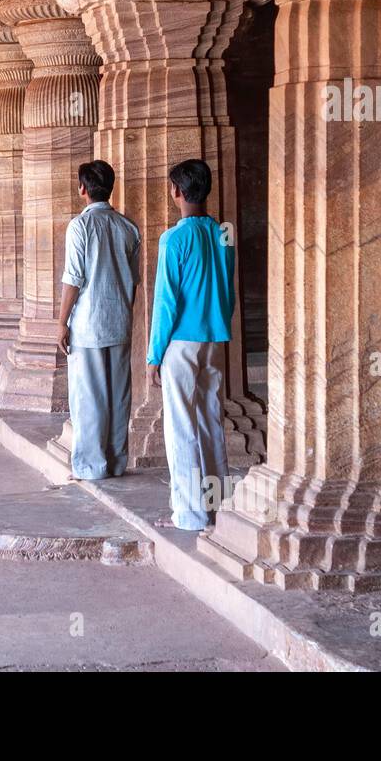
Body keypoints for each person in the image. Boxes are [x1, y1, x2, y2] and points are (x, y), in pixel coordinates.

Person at [144, 159, 235, 531]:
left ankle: (190, 513)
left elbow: (166, 301)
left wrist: (153, 355)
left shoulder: (173, 239)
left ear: (176, 192)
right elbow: (228, 289)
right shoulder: (223, 233)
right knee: (211, 420)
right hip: (213, 339)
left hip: (180, 342)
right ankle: (219, 506)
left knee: (181, 427)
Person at [57, 160, 141, 481]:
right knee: (119, 394)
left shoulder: (80, 227)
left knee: (89, 396)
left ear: (82, 189)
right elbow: (132, 281)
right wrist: (123, 312)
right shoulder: (128, 227)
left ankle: (92, 466)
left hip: (89, 325)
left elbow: (74, 279)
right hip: (118, 320)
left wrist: (62, 321)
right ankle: (116, 460)